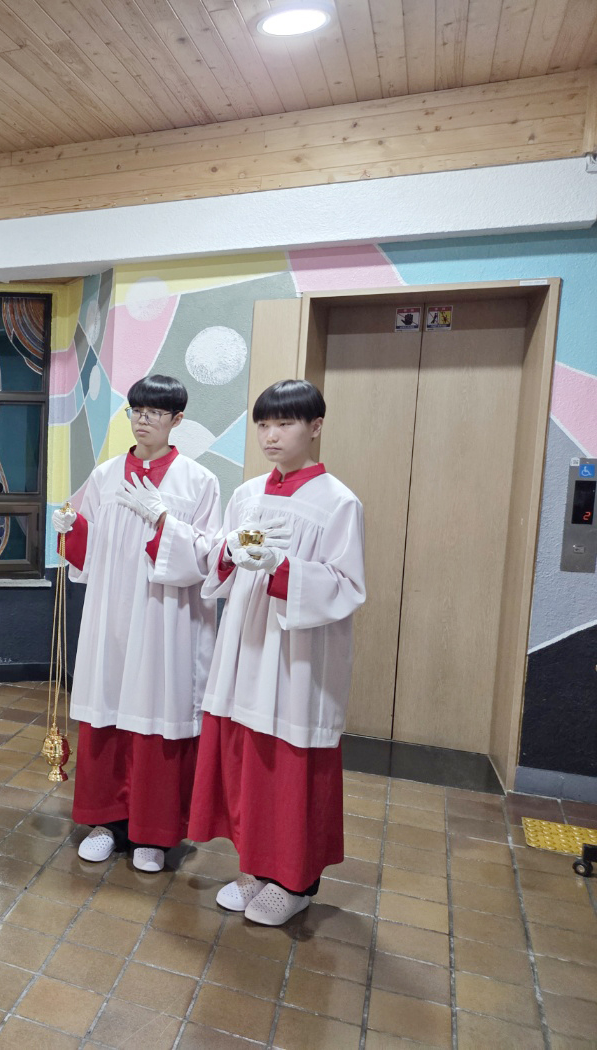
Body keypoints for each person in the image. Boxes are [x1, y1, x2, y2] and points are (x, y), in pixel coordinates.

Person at [189, 378, 365, 926]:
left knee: (288, 763)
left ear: (315, 427)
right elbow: (220, 562)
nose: (271, 435)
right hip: (246, 643)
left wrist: (284, 570)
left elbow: (346, 585)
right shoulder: (246, 495)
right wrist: (227, 553)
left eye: (284, 423)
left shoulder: (338, 502)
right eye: (263, 424)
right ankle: (254, 867)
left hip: (297, 654)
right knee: (245, 757)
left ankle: (294, 882)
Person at [53, 375, 221, 873]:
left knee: (156, 714)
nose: (143, 420)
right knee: (106, 708)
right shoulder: (106, 476)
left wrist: (166, 521)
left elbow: (209, 559)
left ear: (177, 419)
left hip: (166, 618)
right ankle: (106, 823)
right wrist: (72, 529)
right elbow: (89, 552)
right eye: (136, 410)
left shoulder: (198, 482)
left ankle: (154, 833)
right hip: (112, 615)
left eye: (155, 412)